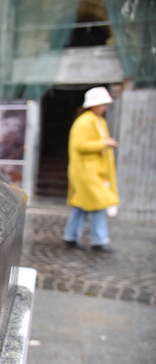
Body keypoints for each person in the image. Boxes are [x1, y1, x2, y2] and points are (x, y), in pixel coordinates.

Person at [63, 87, 119, 253]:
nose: (104, 108)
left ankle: (71, 237)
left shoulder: (98, 121)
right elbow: (79, 145)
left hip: (93, 170)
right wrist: (104, 143)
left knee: (81, 205)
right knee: (98, 203)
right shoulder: (84, 122)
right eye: (102, 104)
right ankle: (99, 240)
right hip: (86, 171)